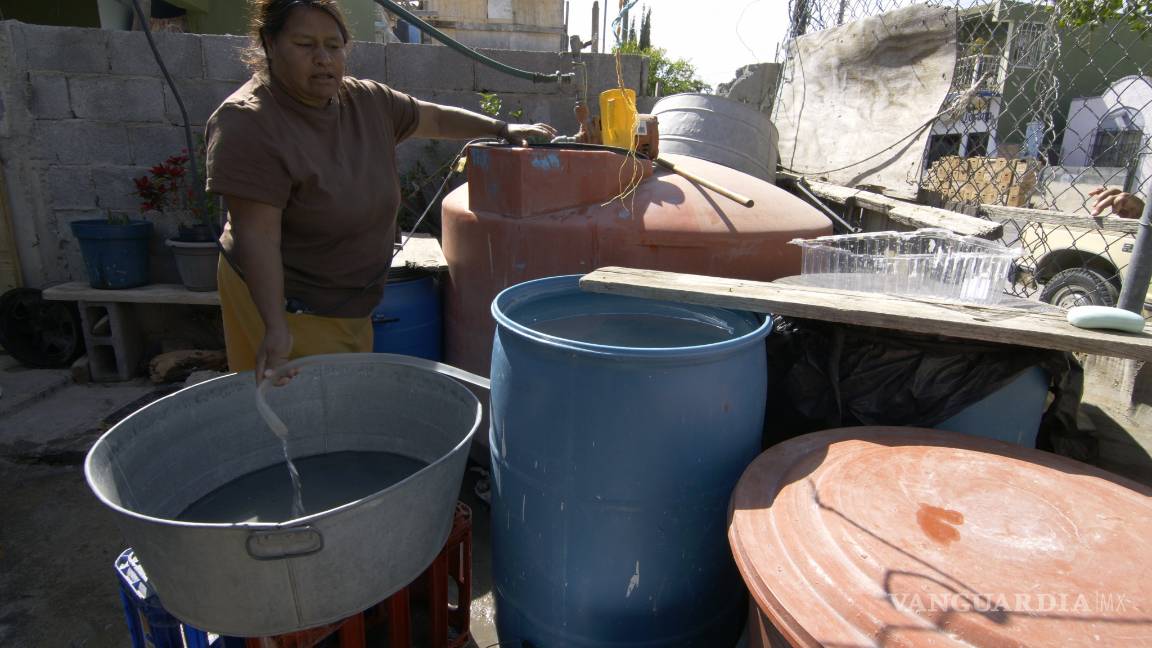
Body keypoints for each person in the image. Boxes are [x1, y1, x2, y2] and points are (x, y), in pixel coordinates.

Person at [206, 0, 556, 384]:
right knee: (296, 415)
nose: (323, 58)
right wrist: (273, 326)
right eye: (305, 45)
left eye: (333, 45)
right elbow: (257, 235)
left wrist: (502, 129)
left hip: (350, 299)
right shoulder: (249, 122)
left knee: (346, 401)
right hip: (283, 302)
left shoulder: (365, 101)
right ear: (270, 45)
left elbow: (432, 117)